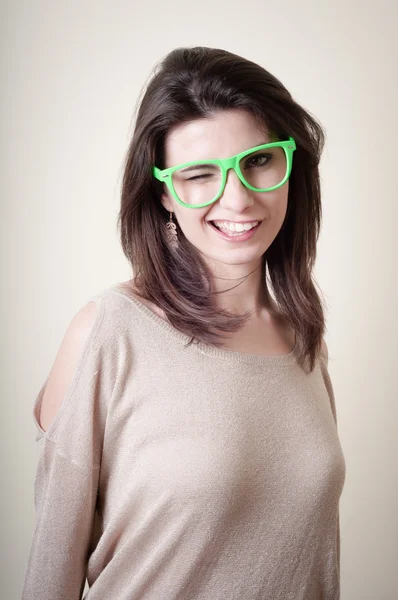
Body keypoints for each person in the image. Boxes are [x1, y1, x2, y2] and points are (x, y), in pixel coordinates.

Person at [22, 46, 346, 600]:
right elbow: (50, 571)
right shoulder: (107, 333)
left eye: (259, 160)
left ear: (291, 166)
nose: (238, 197)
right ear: (165, 193)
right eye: (200, 174)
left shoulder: (303, 340)